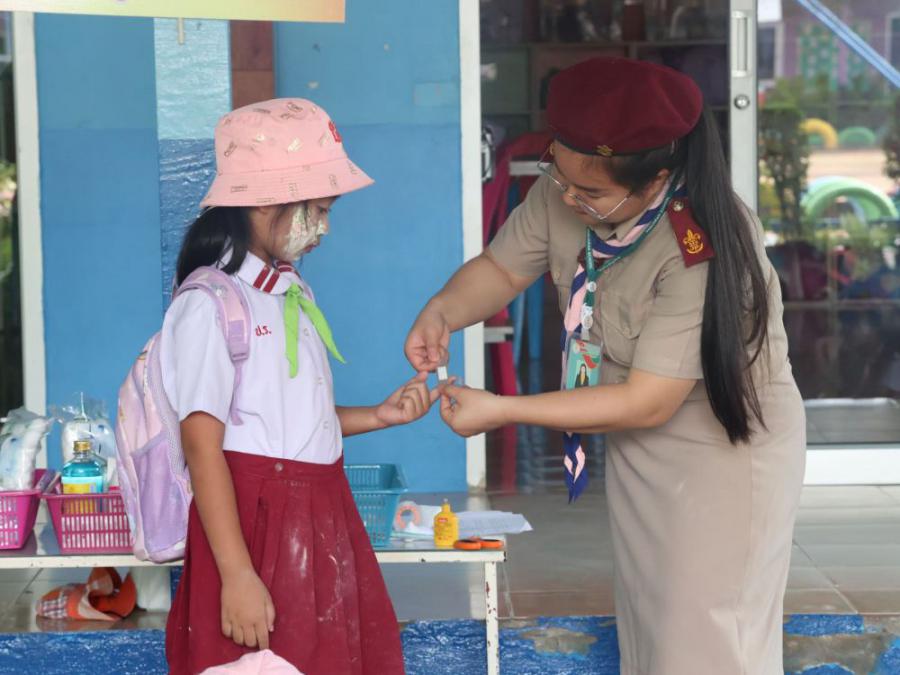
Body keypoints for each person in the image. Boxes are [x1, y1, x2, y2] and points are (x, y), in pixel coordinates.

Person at [406, 58, 805, 674]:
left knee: (707, 634)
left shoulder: (700, 242)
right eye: (559, 177)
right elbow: (502, 269)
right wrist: (441, 312)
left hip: (722, 446)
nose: (567, 197)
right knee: (652, 625)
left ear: (657, 178)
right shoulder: (568, 188)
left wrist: (504, 410)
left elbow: (650, 400)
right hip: (636, 437)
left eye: (588, 193)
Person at [164, 98, 437, 675]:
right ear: (265, 199)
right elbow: (202, 448)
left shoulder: (292, 292)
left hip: (320, 512)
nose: (325, 228)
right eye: (318, 210)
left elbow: (292, 421)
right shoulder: (208, 304)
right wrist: (237, 574)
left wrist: (379, 416)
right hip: (255, 528)